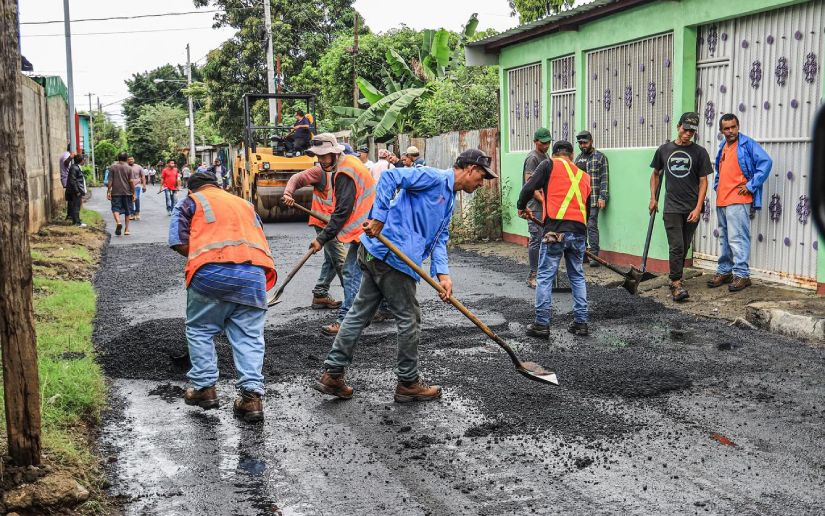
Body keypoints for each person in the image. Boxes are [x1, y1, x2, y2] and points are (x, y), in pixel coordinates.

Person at [314, 149, 497, 402]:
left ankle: (332, 374)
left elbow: (440, 238)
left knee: (358, 313)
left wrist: (443, 275)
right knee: (409, 318)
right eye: (482, 177)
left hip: (378, 254)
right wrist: (379, 217)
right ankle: (408, 382)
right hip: (392, 256)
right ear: (471, 169)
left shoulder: (449, 199)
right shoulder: (432, 177)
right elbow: (390, 178)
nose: (481, 183)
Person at [169, 171, 277, 422]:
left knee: (200, 329)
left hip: (211, 273)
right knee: (249, 336)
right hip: (254, 273)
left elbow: (178, 241)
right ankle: (252, 399)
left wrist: (204, 258)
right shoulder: (244, 203)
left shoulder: (190, 202)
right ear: (217, 186)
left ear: (191, 189)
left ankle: (205, 388)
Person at [518, 141, 591, 339]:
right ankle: (581, 323)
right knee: (577, 276)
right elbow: (587, 209)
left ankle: (541, 324)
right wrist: (583, 238)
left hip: (555, 232)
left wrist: (521, 206)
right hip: (578, 232)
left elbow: (529, 187)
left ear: (554, 153)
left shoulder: (549, 164)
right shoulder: (584, 175)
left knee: (544, 277)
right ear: (572, 154)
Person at [304, 133, 375, 336]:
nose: (321, 160)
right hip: (371, 227)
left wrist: (321, 238)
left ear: (334, 153)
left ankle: (347, 320)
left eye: (324, 156)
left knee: (351, 272)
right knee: (373, 273)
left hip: (366, 230)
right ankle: (378, 310)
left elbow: (342, 211)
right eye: (318, 156)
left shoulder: (344, 172)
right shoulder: (350, 162)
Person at [649, 112, 712, 302]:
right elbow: (656, 174)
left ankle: (676, 275)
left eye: (691, 131)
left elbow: (703, 181)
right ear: (678, 126)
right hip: (671, 207)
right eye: (685, 129)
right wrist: (653, 198)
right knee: (676, 246)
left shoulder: (700, 152)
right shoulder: (664, 150)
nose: (687, 134)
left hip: (691, 208)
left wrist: (698, 208)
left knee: (684, 245)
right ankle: (675, 283)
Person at [707, 113, 772, 292]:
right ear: (721, 131)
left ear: (738, 126)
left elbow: (766, 162)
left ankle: (742, 275)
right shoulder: (723, 146)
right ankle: (725, 271)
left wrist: (751, 185)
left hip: (738, 198)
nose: (730, 131)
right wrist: (718, 186)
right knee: (724, 238)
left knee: (737, 238)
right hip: (722, 199)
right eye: (726, 128)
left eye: (733, 127)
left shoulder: (747, 144)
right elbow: (720, 170)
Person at [283, 165, 346, 309]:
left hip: (335, 223)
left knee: (331, 260)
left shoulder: (345, 172)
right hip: (324, 223)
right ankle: (354, 300)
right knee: (342, 261)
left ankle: (320, 294)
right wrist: (288, 193)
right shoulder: (320, 172)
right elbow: (297, 178)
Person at [574, 130, 609, 268]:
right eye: (580, 143)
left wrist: (603, 196)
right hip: (580, 199)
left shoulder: (600, 157)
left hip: (594, 198)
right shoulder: (577, 159)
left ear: (591, 141)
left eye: (585, 143)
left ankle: (594, 256)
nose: (583, 145)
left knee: (591, 226)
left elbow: (604, 178)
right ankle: (583, 255)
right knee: (580, 227)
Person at [522, 128, 552, 288]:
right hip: (534, 206)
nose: (546, 146)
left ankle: (543, 273)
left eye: (548, 143)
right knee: (536, 239)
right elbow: (530, 184)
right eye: (543, 143)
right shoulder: (533, 158)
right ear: (535, 142)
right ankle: (533, 275)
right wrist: (544, 201)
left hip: (544, 205)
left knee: (544, 239)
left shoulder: (546, 157)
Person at [107, 152, 135, 236]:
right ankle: (126, 229)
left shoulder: (112, 167)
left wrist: (108, 191)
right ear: (126, 159)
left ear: (118, 158)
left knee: (115, 208)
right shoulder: (129, 168)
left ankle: (118, 222)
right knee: (127, 211)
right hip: (127, 192)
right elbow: (131, 182)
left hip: (115, 192)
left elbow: (110, 181)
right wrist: (133, 193)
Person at [66, 153, 87, 227]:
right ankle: (77, 223)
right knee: (76, 206)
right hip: (75, 191)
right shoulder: (74, 168)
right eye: (84, 159)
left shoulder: (76, 167)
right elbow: (73, 180)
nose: (84, 161)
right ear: (81, 160)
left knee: (76, 206)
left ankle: (77, 221)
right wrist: (77, 191)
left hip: (76, 190)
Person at [127, 156, 145, 221]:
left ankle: (137, 212)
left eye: (132, 159)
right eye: (129, 159)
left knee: (136, 198)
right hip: (128, 186)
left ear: (134, 160)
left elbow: (143, 176)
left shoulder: (138, 167)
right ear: (127, 160)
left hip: (137, 185)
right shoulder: (125, 167)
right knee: (130, 199)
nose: (131, 160)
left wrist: (144, 185)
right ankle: (131, 213)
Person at [59, 144, 72, 220]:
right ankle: (70, 215)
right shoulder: (67, 155)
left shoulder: (65, 154)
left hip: (66, 179)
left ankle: (69, 215)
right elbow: (66, 163)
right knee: (71, 199)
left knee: (70, 199)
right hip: (67, 179)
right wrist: (71, 157)